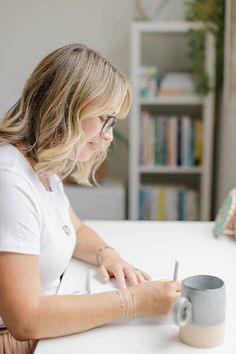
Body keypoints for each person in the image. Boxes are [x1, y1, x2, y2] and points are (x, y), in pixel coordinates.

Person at [0, 43, 181, 354]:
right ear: (69, 107)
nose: (109, 135)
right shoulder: (8, 179)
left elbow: (76, 229)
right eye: (105, 119)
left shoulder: (42, 168)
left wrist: (108, 255)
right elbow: (25, 319)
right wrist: (132, 302)